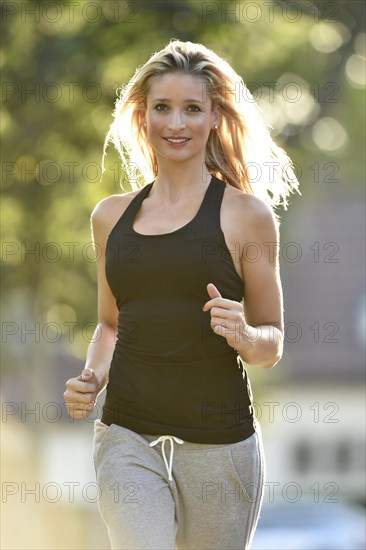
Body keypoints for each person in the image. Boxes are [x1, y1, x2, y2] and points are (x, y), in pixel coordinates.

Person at [64, 39, 300, 550]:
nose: (176, 124)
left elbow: (272, 343)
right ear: (142, 115)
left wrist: (243, 333)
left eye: (192, 109)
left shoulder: (247, 217)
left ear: (215, 115)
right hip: (127, 434)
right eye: (162, 108)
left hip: (219, 442)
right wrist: (91, 377)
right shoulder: (109, 217)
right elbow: (110, 324)